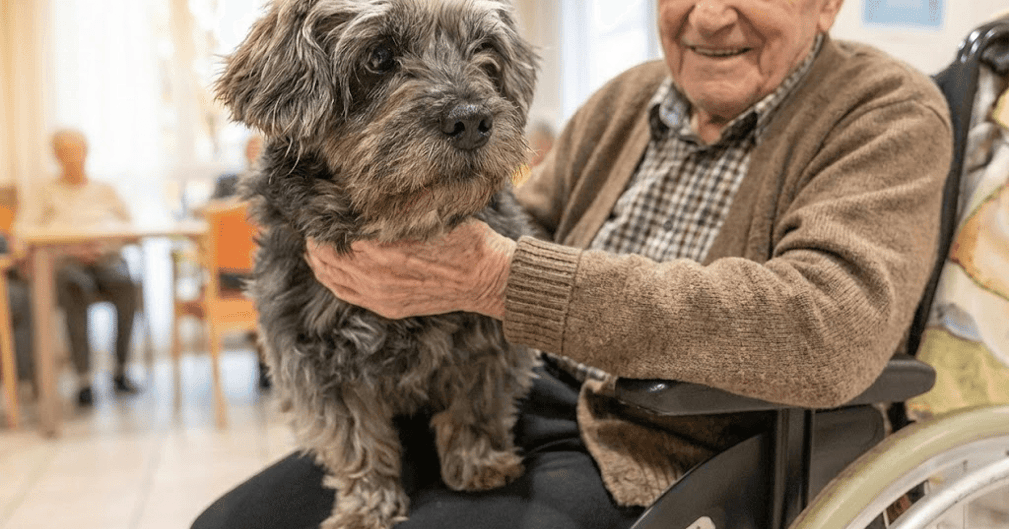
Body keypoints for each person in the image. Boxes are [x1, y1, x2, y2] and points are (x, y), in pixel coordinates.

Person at [193, 0, 953, 527]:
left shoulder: (886, 112)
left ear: (826, 5)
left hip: (668, 436)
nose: (709, 16)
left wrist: (498, 279)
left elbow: (830, 328)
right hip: (528, 393)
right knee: (226, 522)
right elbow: (527, 221)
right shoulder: (633, 97)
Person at [36, 129, 141, 407]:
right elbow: (27, 232)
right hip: (67, 262)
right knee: (74, 286)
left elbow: (131, 227)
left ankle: (121, 371)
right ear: (56, 156)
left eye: (77, 151)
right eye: (65, 152)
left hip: (106, 257)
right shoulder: (46, 192)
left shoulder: (105, 190)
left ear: (87, 152)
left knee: (127, 284)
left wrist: (104, 246)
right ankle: (84, 380)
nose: (73, 158)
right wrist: (68, 249)